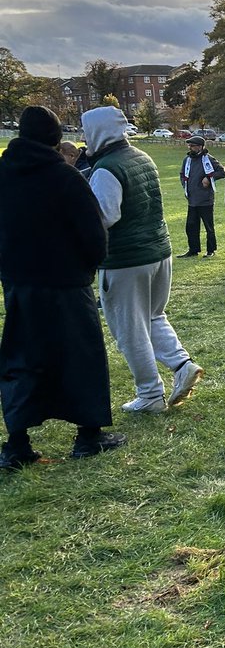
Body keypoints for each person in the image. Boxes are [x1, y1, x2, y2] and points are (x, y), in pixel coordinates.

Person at [0, 106, 126, 467]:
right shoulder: (66, 178)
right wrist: (88, 267)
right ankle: (88, 435)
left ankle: (17, 443)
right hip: (67, 281)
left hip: (20, 281)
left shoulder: (3, 174)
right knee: (80, 355)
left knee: (22, 357)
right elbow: (92, 233)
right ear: (57, 139)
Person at [81, 106, 203, 415]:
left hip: (125, 260)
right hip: (158, 253)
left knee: (128, 330)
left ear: (97, 132)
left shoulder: (107, 167)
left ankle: (149, 394)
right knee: (151, 317)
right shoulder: (141, 157)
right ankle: (182, 364)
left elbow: (105, 215)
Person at [178, 136, 225, 258]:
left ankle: (211, 250)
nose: (190, 148)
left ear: (200, 147)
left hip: (205, 200)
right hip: (192, 200)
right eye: (189, 146)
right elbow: (182, 174)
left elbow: (222, 172)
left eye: (192, 146)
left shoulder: (208, 159)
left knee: (208, 227)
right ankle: (193, 250)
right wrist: (185, 187)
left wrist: (209, 179)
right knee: (191, 226)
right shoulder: (187, 160)